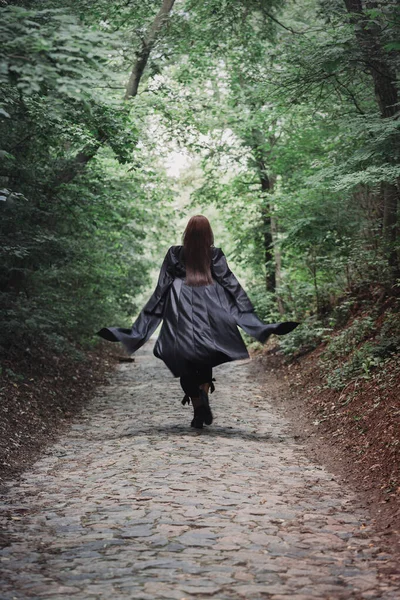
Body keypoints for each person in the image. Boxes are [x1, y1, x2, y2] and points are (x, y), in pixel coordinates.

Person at [97, 215, 299, 429]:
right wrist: (253, 320)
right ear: (208, 234)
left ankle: (197, 407)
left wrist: (140, 328)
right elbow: (231, 284)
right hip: (209, 315)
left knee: (186, 365)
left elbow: (162, 287)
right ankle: (201, 401)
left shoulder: (174, 254)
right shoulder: (214, 255)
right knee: (204, 361)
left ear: (187, 233)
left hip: (179, 315)